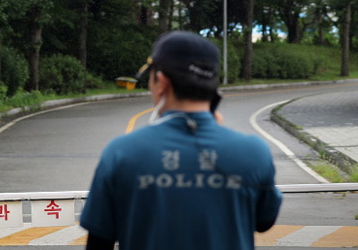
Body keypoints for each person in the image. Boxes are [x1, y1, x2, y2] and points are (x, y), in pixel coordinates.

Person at [80, 31, 283, 250]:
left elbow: (98, 243)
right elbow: (264, 221)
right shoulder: (254, 152)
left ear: (161, 82)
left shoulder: (121, 153)